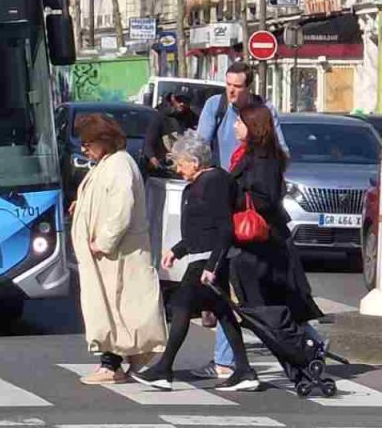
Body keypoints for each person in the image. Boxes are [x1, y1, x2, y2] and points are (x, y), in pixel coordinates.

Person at [131, 131, 260, 392]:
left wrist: (212, 266)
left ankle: (164, 369)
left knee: (180, 305)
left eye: (180, 163)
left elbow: (222, 227)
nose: (178, 169)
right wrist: (177, 250)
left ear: (195, 161)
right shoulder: (200, 183)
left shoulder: (213, 182)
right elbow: (198, 228)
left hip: (208, 260)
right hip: (203, 256)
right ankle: (245, 371)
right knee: (223, 313)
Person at [193, 60, 290, 379]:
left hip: (246, 208)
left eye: (238, 86)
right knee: (235, 282)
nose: (231, 91)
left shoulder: (262, 113)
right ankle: (227, 359)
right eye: (228, 84)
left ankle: (226, 361)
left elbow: (281, 151)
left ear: (250, 87)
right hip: (225, 200)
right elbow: (200, 147)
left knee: (235, 282)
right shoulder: (215, 106)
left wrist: (255, 178)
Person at [69, 114, 166, 385]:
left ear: (104, 141)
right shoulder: (109, 164)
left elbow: (121, 209)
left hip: (116, 256)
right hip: (110, 256)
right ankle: (120, 361)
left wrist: (103, 242)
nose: (83, 148)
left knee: (114, 309)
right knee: (114, 309)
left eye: (88, 143)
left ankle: (110, 365)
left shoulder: (119, 165)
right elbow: (106, 199)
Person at [228, 105, 323, 325]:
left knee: (272, 309)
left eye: (240, 122)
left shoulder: (263, 159)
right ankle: (233, 358)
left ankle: (306, 351)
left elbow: (266, 198)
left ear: (253, 127)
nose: (235, 126)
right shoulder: (247, 154)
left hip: (263, 241)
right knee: (256, 305)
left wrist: (235, 198)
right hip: (254, 242)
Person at [144, 93, 199, 171]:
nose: (182, 103)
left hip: (186, 168)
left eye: (185, 101)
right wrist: (153, 159)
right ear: (173, 98)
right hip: (164, 167)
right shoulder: (160, 117)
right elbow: (148, 143)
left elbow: (200, 143)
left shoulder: (193, 119)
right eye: (179, 100)